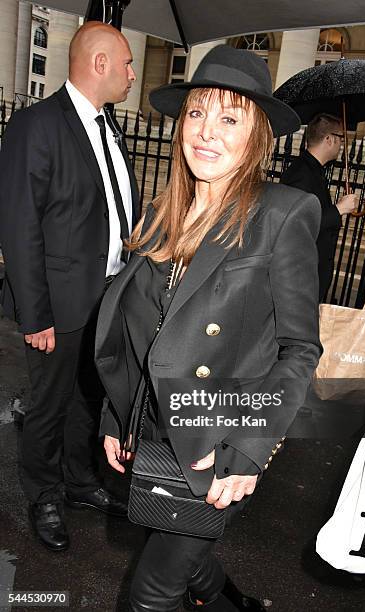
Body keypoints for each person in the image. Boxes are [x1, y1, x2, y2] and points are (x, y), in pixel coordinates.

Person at [95, 45, 322, 611]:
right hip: (150, 430)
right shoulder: (160, 212)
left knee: (152, 592)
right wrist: (115, 415)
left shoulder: (282, 213)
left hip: (219, 441)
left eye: (229, 119)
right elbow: (137, 332)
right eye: (197, 112)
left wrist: (249, 446)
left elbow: (299, 350)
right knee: (179, 548)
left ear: (257, 137)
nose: (206, 132)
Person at [0, 22, 140, 552]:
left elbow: (103, 206)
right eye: (126, 63)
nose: (132, 74)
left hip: (106, 297)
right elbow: (19, 225)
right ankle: (44, 494)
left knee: (90, 397)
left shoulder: (107, 127)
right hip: (57, 304)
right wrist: (35, 315)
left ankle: (80, 483)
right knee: (50, 403)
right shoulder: (37, 124)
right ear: (99, 64)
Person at [281, 113, 357, 302]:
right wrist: (338, 209)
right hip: (299, 276)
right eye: (341, 138)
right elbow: (295, 225)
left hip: (309, 274)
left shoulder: (314, 171)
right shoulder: (302, 174)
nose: (342, 144)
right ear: (329, 139)